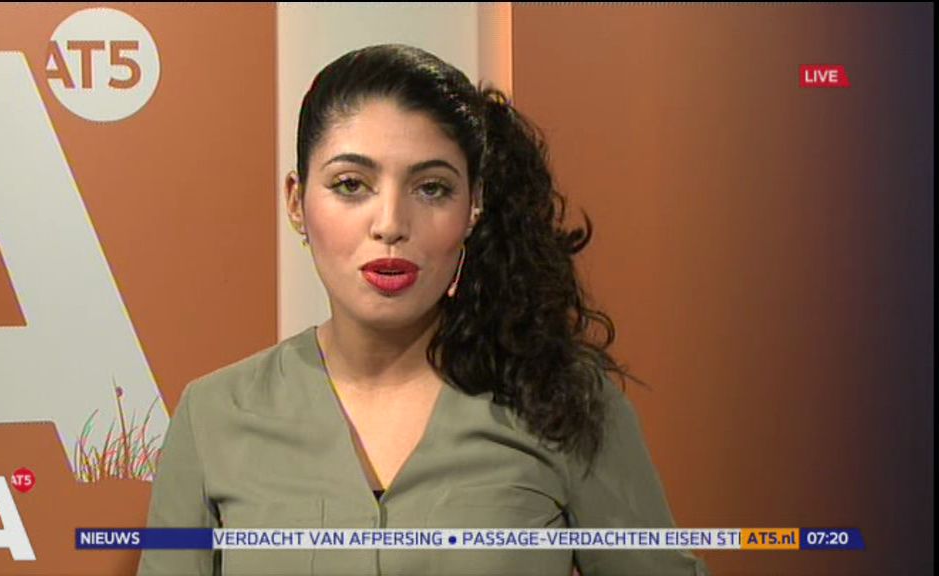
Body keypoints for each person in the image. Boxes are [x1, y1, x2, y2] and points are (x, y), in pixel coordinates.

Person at [138, 43, 710, 576]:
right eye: (351, 184)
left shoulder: (561, 399)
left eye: (431, 188)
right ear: (296, 200)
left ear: (474, 205)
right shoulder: (213, 416)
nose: (390, 223)